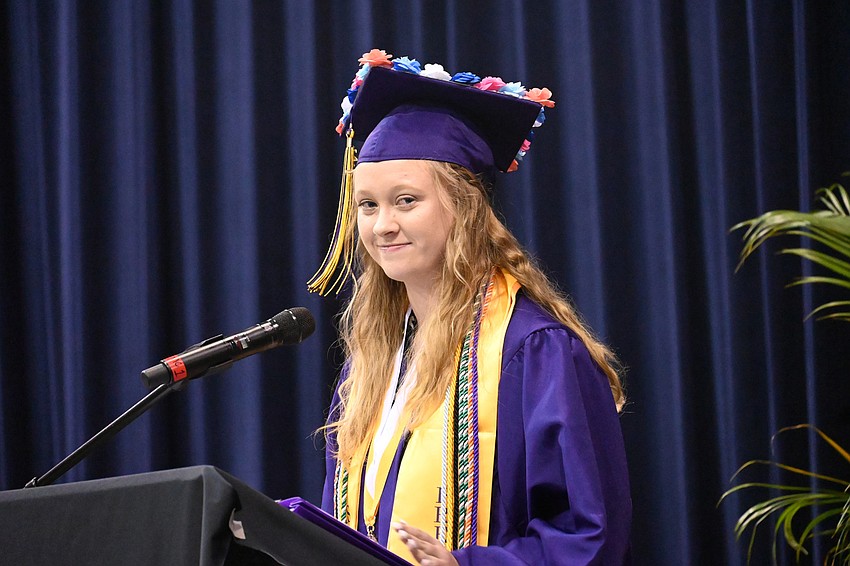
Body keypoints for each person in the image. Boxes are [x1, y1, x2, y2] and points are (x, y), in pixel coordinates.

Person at [308, 49, 632, 565]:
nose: (382, 224)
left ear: (464, 207)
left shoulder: (534, 351)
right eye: (367, 205)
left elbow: (587, 536)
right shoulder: (374, 364)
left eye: (406, 200)